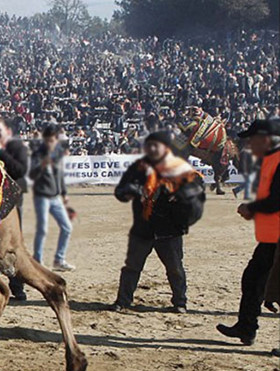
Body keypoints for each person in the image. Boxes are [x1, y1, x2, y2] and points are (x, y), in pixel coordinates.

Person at [110, 132, 205, 313]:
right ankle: (123, 301)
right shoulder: (139, 169)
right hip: (143, 229)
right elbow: (121, 191)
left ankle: (180, 302)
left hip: (169, 231)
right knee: (132, 268)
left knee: (175, 269)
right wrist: (129, 191)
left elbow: (197, 185)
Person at [217, 119, 280, 346]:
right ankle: (246, 328)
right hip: (271, 238)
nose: (248, 145)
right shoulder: (271, 159)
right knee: (253, 280)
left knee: (262, 283)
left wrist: (250, 208)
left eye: (252, 140)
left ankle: (246, 327)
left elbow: (276, 201)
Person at [29, 124, 75, 271]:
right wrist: (42, 165)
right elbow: (32, 175)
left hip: (55, 197)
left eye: (52, 140)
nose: (50, 143)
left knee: (67, 227)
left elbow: (60, 175)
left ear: (56, 140)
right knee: (42, 229)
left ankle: (59, 259)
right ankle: (37, 260)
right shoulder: (38, 154)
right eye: (47, 140)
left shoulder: (57, 153)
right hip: (42, 195)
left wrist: (64, 193)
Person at [0, 117, 30, 300]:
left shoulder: (17, 147)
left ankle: (17, 287)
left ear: (8, 131)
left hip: (13, 201)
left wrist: (0, 153)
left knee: (12, 244)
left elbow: (20, 171)